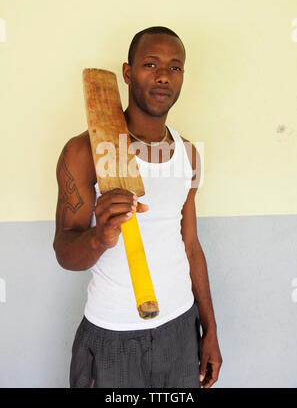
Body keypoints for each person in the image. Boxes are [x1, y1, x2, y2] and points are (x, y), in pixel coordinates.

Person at [53, 26, 222, 388]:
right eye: (150, 64)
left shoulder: (189, 154)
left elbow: (190, 245)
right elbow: (65, 252)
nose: (164, 75)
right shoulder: (84, 152)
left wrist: (209, 329)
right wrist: (100, 237)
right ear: (128, 73)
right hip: (112, 334)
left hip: (180, 329)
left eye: (175, 68)